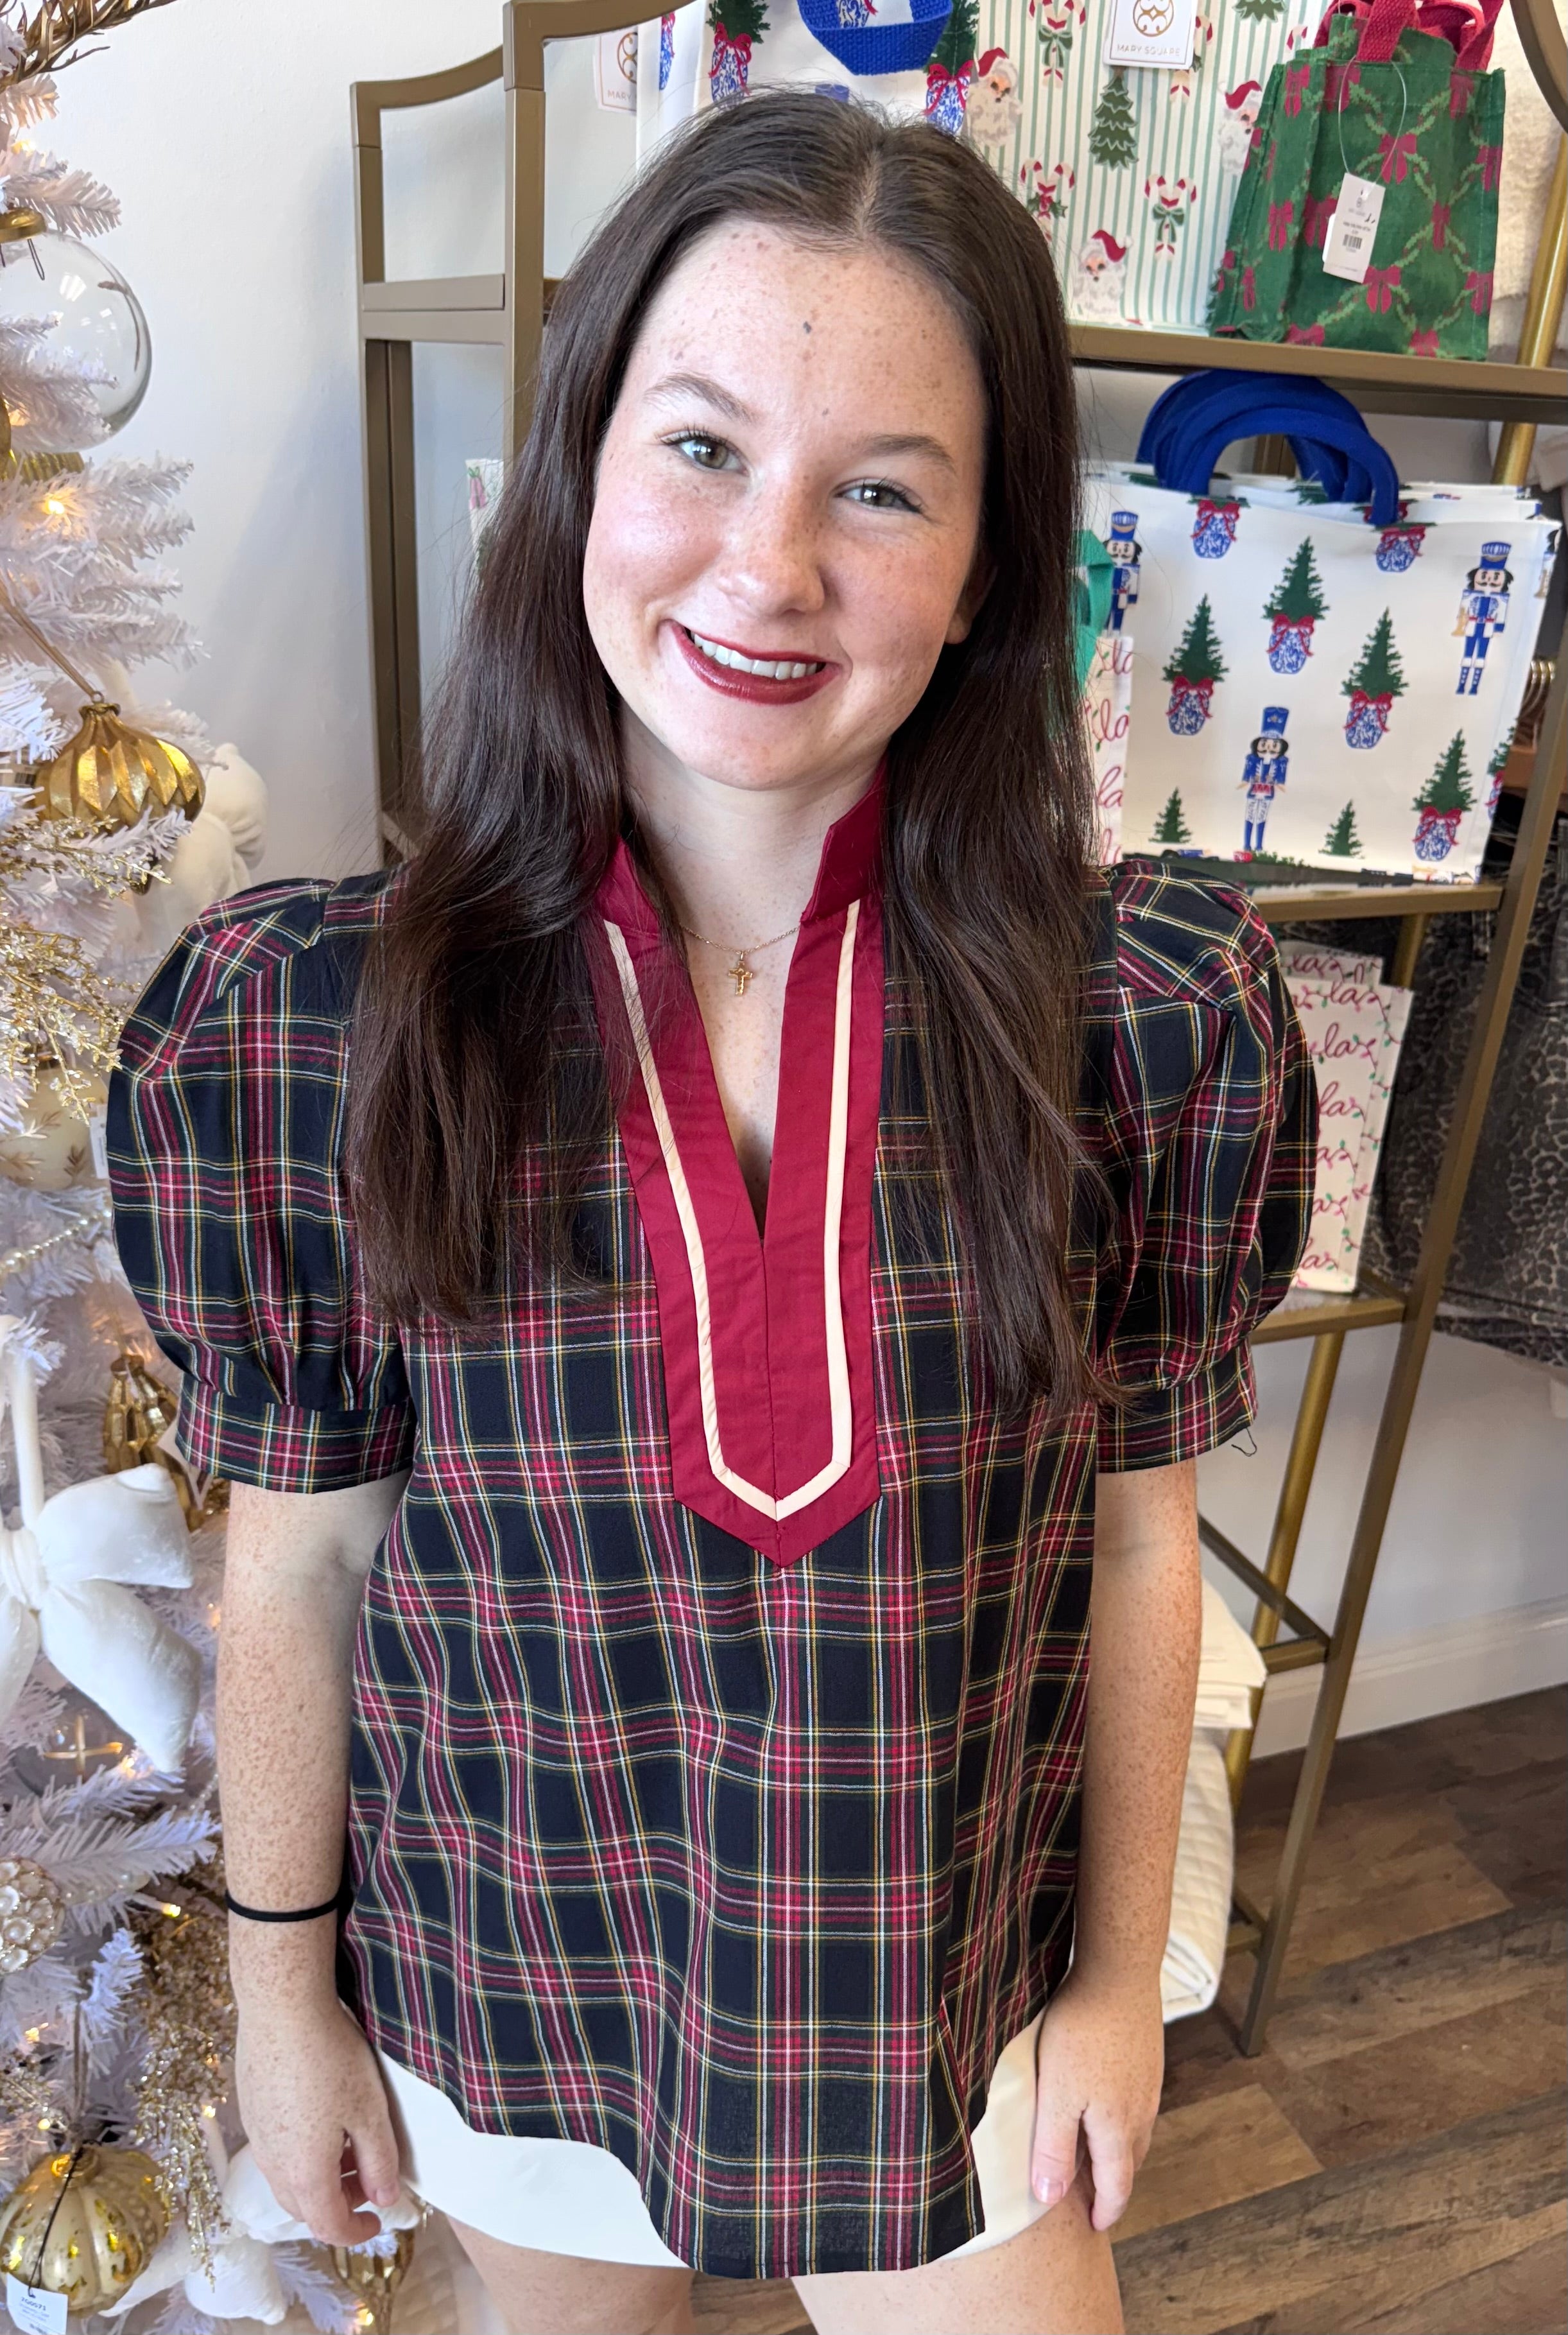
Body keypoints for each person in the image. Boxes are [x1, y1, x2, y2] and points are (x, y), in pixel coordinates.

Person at [108, 93, 1313, 2335]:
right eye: (699, 448)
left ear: (987, 569)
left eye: (881, 489)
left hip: (954, 1991)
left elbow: (1143, 1543)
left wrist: (1115, 1981)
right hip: (507, 1985)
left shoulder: (1143, 1018)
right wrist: (283, 2001)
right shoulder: (319, 1028)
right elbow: (302, 1564)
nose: (768, 569)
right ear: (577, 472)